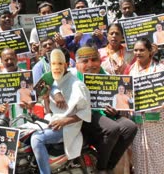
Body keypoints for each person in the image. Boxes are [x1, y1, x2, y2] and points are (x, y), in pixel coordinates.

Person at [72, 46, 137, 174]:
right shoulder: (71, 77)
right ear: (77, 64)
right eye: (85, 61)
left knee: (130, 127)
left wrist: (115, 111)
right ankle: (101, 169)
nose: (90, 64)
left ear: (100, 61)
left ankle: (107, 166)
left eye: (94, 60)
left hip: (104, 115)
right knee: (112, 128)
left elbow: (117, 102)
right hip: (81, 117)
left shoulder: (106, 75)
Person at [31, 48, 91, 174]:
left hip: (69, 127)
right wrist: (47, 97)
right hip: (52, 121)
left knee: (36, 139)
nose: (56, 67)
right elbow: (46, 106)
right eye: (53, 64)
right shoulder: (51, 81)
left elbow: (85, 113)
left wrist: (64, 121)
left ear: (67, 64)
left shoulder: (77, 85)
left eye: (59, 63)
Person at [125, 38, 164, 174]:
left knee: (158, 153)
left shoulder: (159, 70)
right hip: (137, 120)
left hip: (157, 121)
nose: (138, 53)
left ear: (149, 51)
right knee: (139, 152)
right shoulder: (130, 71)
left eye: (142, 50)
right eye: (136, 50)